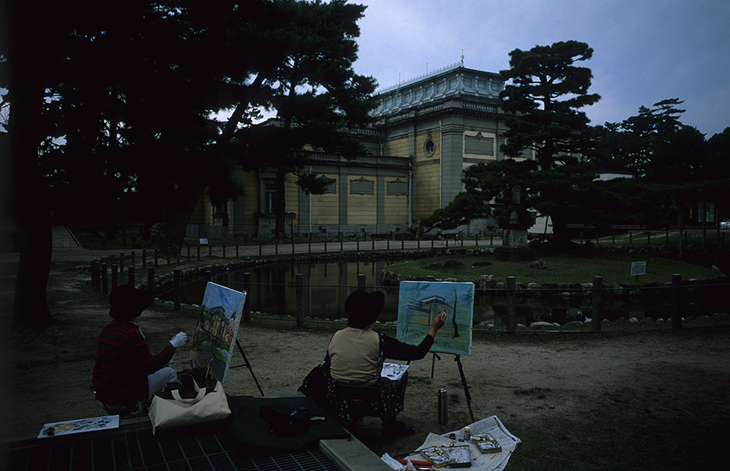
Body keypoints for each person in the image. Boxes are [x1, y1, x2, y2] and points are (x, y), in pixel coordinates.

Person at [324, 289, 447, 435]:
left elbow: (327, 367)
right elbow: (418, 353)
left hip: (339, 395)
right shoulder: (379, 340)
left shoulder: (336, 336)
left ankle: (349, 412)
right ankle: (390, 423)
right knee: (399, 376)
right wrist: (433, 329)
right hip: (369, 395)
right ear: (372, 317)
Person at [92, 284, 188, 414]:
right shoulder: (131, 334)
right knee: (169, 373)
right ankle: (150, 411)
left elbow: (132, 364)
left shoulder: (107, 330)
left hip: (103, 393)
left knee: (162, 370)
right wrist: (172, 345)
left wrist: (163, 361)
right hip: (122, 396)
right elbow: (151, 366)